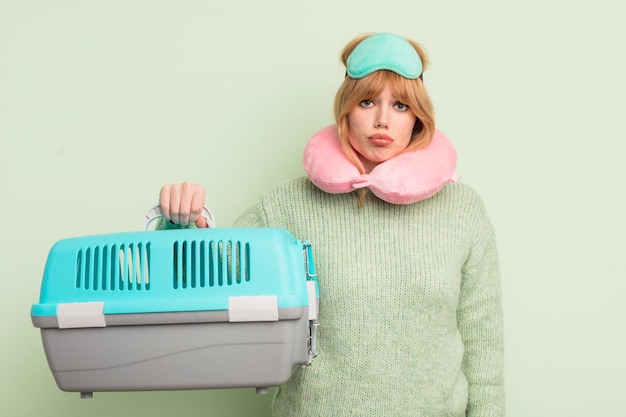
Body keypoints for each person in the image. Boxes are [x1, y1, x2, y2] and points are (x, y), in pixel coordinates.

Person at [158, 32, 504, 417]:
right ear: (345, 109)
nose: (382, 120)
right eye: (367, 101)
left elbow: (483, 342)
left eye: (401, 105)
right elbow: (206, 277)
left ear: (419, 118)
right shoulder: (287, 206)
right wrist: (181, 224)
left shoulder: (463, 210)